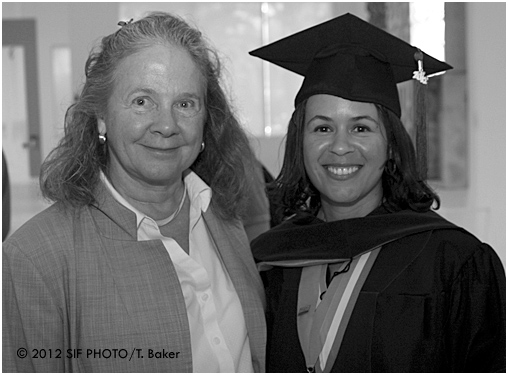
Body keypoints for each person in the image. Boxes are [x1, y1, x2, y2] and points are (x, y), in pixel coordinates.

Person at [3, 12, 266, 372]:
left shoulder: (225, 219)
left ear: (207, 118)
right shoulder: (35, 257)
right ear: (100, 116)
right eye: (142, 101)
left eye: (185, 104)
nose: (167, 125)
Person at [249, 13, 505, 372]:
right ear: (300, 143)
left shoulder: (454, 263)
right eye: (322, 127)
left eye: (361, 128)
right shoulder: (269, 260)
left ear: (391, 145)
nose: (340, 147)